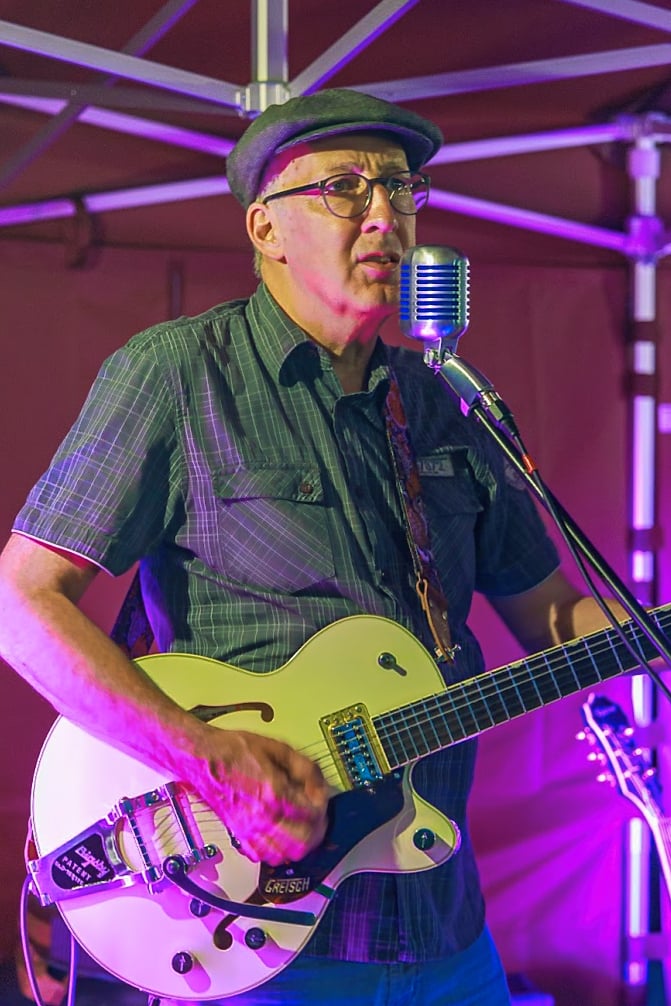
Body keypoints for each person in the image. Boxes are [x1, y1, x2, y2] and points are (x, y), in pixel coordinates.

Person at [0, 88, 625, 1006]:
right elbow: (21, 606)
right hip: (255, 931)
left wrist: (643, 629)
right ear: (265, 228)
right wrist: (210, 759)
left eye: (401, 188)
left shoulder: (446, 401)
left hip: (441, 928)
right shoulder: (178, 373)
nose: (384, 215)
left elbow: (555, 618)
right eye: (344, 188)